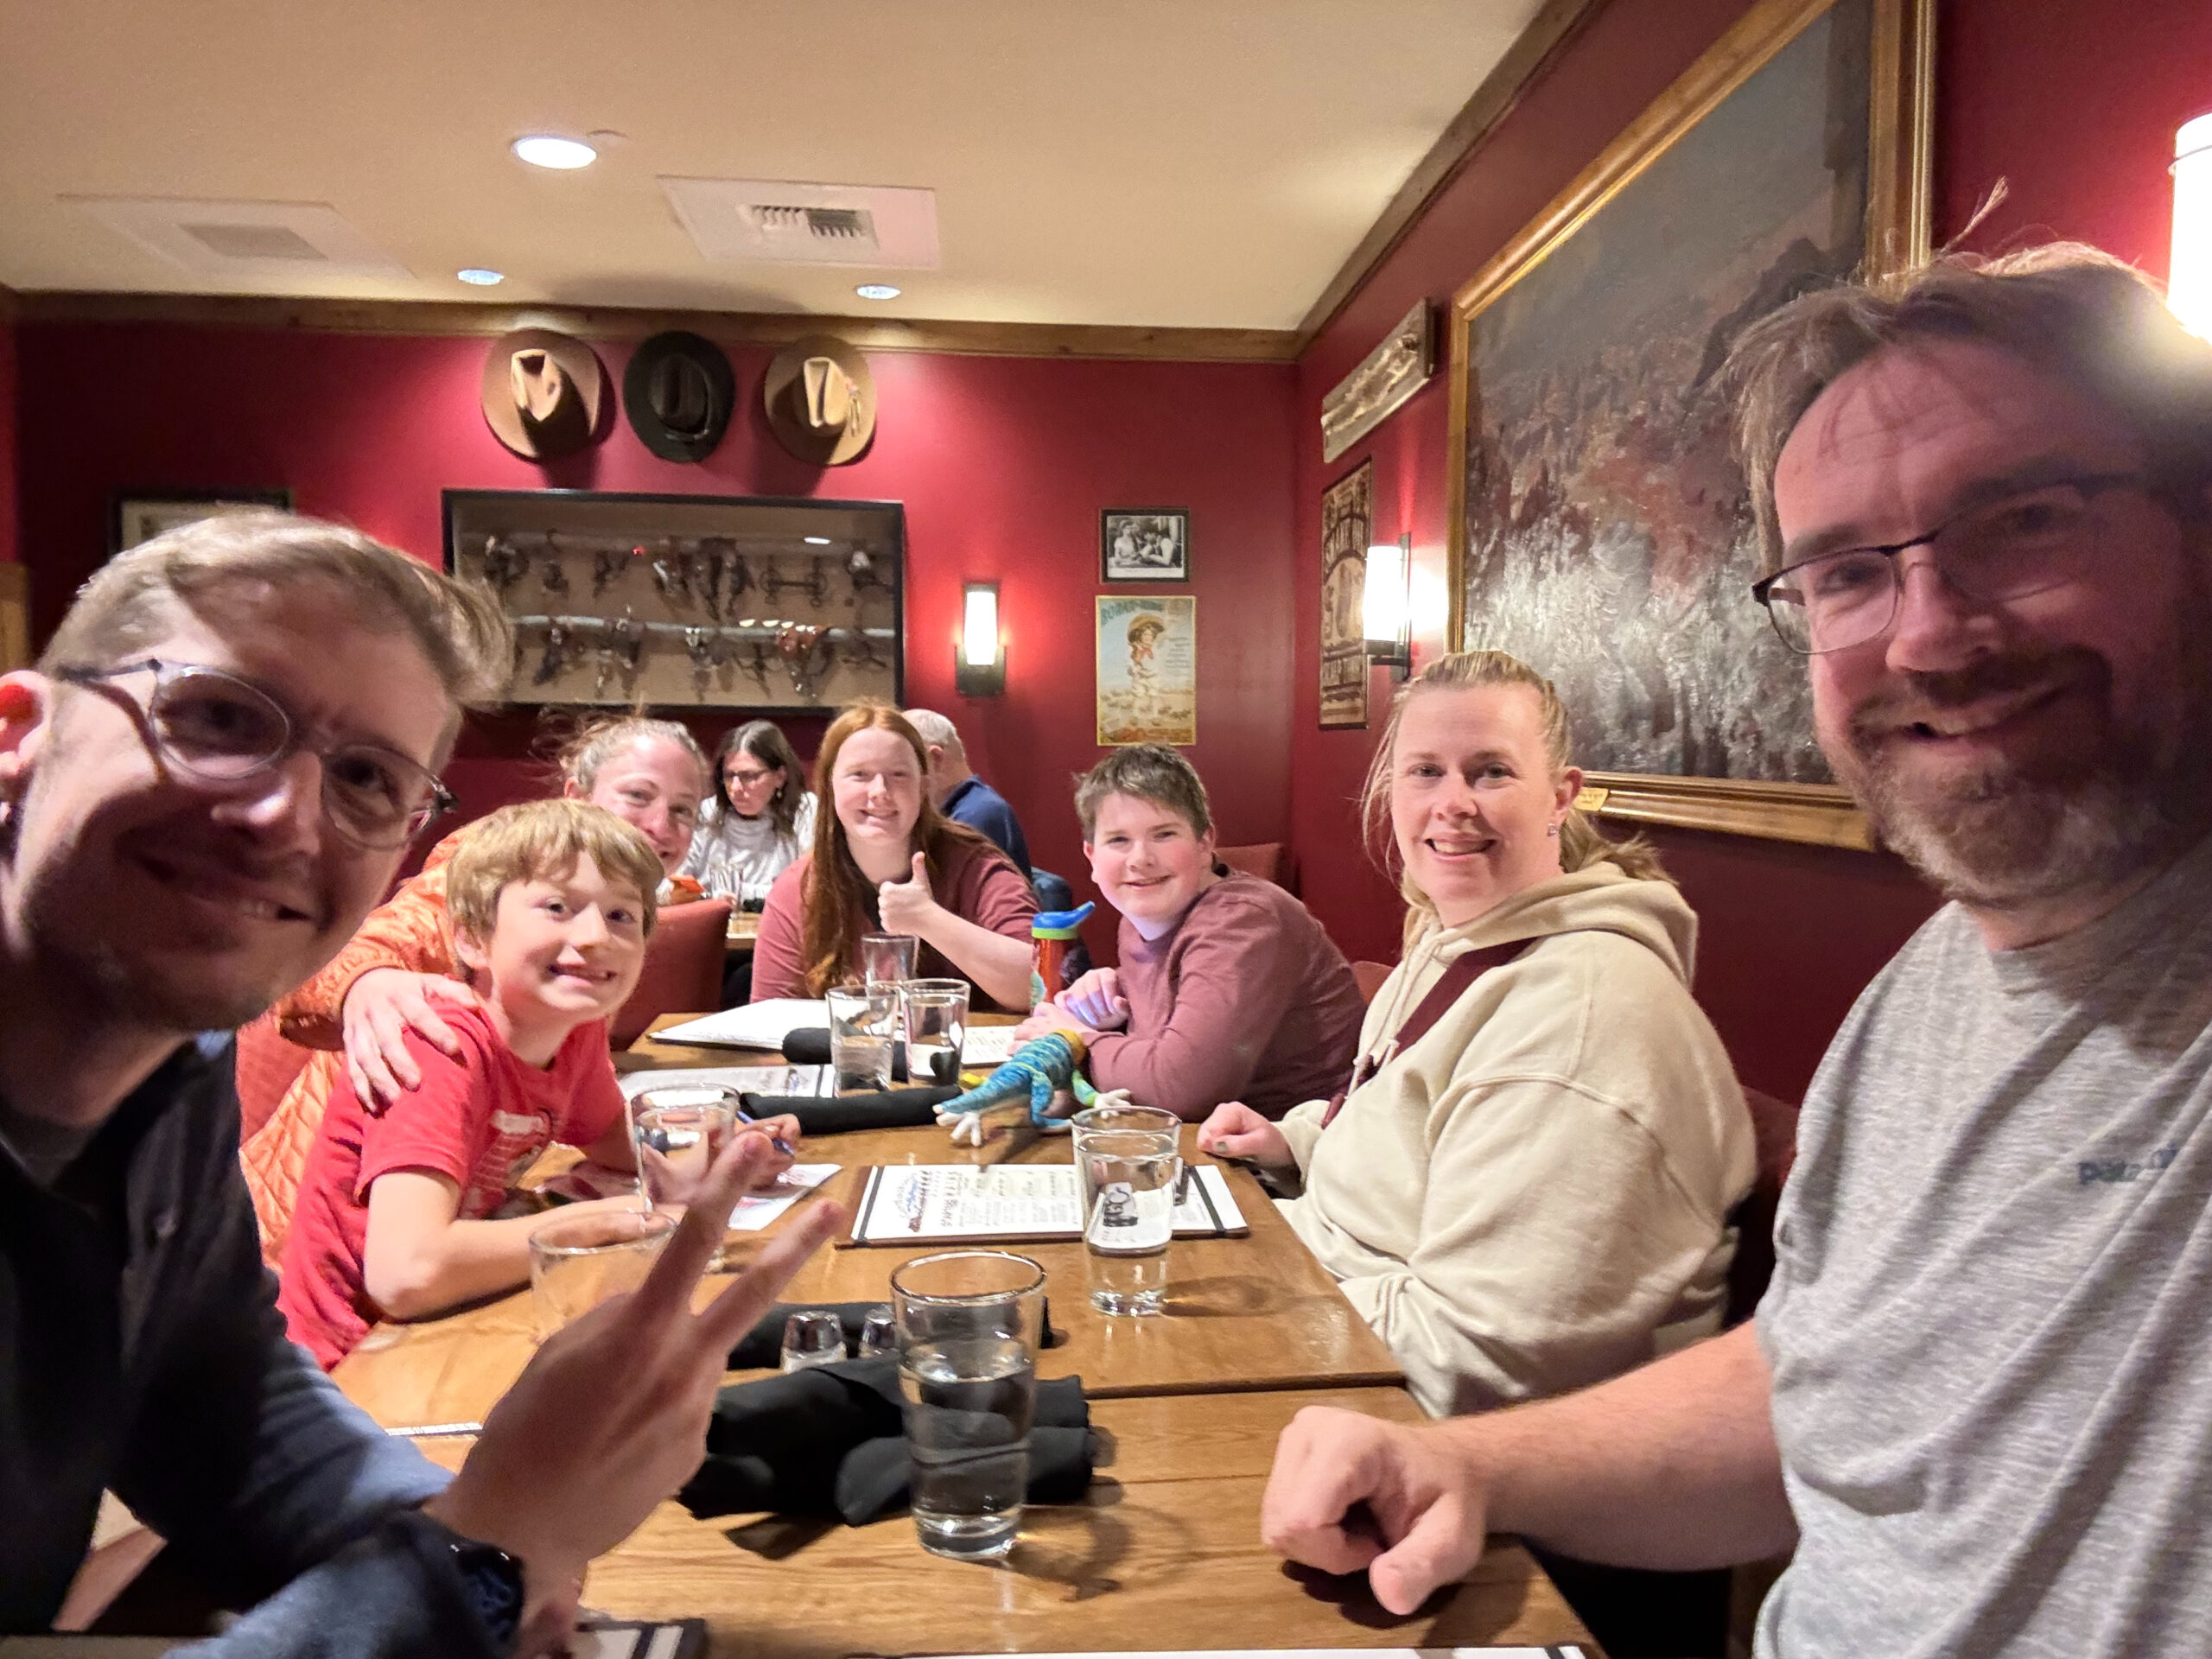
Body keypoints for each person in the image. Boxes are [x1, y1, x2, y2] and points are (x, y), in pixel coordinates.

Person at [1258, 246, 2212, 1656]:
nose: (1932, 636)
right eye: (1846, 574)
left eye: (2025, 519)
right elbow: (1816, 1389)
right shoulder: (1925, 993)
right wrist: (1476, 1468)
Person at [0, 512, 842, 1649]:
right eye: (218, 718)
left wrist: (479, 1535)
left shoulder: (171, 1076)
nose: (282, 815)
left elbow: (226, 1409)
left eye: (363, 777)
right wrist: (487, 1551)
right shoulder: (425, 1013)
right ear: (21, 733)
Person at [1204, 651, 1752, 1417]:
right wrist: (1296, 1143)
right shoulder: (1458, 941)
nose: (1452, 802)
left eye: (1490, 771)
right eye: (1425, 771)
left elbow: (1479, 1355)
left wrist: (1237, 1315)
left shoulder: (1583, 1018)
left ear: (1561, 797)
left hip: (1443, 1446)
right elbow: (1403, 1133)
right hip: (1335, 1327)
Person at [276, 799, 802, 1369]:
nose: (596, 935)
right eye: (557, 907)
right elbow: (407, 1274)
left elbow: (617, 1144)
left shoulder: (571, 1032)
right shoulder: (440, 1044)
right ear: (473, 939)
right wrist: (621, 1222)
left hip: (453, 1323)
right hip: (352, 1367)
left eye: (622, 916)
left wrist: (726, 1155)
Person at [266, 714, 712, 1112]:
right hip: (365, 1160)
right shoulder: (505, 861)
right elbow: (319, 972)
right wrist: (363, 983)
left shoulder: (625, 897)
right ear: (576, 794)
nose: (659, 826)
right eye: (637, 795)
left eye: (682, 810)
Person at [1017, 743, 1363, 1120]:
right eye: (1118, 840)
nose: (1140, 860)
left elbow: (1180, 1090)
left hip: (1293, 1158)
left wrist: (1078, 1041)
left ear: (1205, 843)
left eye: (1164, 834)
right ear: (1092, 856)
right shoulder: (1138, 919)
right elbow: (1176, 994)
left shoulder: (1244, 920)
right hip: (1203, 1141)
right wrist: (1116, 992)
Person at [752, 702, 1036, 1008]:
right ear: (829, 786)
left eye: (898, 774)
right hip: (843, 1056)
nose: (880, 791)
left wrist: (929, 920)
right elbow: (767, 1018)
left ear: (923, 786)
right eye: (859, 774)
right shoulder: (798, 887)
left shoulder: (975, 865)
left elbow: (1040, 986)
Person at [679, 719, 817, 909]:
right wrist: (702, 896)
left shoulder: (804, 810)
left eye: (749, 776)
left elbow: (810, 888)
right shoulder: (708, 811)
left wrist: (742, 895)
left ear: (780, 777)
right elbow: (674, 883)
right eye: (729, 776)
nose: (735, 788)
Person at [903, 707, 1031, 875]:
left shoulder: (978, 814)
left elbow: (950, 897)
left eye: (902, 766)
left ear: (936, 759)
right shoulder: (963, 808)